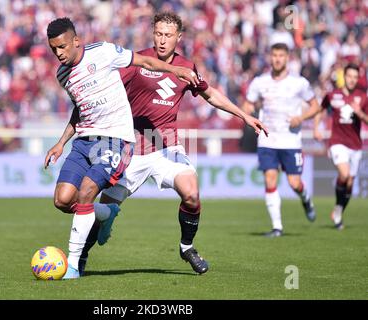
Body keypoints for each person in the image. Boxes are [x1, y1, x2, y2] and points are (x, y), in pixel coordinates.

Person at [77, 12, 268, 275]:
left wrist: (244, 115)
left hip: (167, 148)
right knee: (104, 209)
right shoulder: (136, 61)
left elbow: (210, 95)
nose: (162, 40)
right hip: (131, 149)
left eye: (168, 35)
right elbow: (106, 93)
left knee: (191, 194)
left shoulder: (187, 67)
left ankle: (186, 246)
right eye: (158, 34)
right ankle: (81, 257)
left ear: (179, 37)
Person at [44, 17, 199, 279]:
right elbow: (80, 110)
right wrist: (61, 142)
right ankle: (106, 212)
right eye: (53, 49)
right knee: (62, 200)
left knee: (86, 194)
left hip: (116, 139)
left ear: (76, 41)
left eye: (62, 47)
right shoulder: (63, 75)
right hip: (84, 141)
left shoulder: (104, 52)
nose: (58, 53)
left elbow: (146, 62)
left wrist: (176, 71)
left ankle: (72, 266)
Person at [242, 42, 321, 238]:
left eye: (281, 56)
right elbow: (247, 104)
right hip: (267, 140)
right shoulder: (260, 82)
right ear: (270, 58)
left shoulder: (299, 83)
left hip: (290, 140)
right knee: (270, 179)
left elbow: (315, 106)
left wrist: (300, 118)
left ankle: (306, 198)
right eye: (274, 55)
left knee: (294, 183)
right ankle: (277, 227)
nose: (277, 59)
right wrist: (249, 113)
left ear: (287, 58)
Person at [314, 63, 368, 230]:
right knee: (344, 175)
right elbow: (320, 109)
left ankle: (338, 210)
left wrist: (359, 112)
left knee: (350, 184)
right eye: (349, 76)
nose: (352, 80)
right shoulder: (333, 95)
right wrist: (317, 127)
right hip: (337, 141)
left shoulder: (363, 97)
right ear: (344, 77)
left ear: (357, 78)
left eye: (354, 77)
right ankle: (338, 212)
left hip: (355, 145)